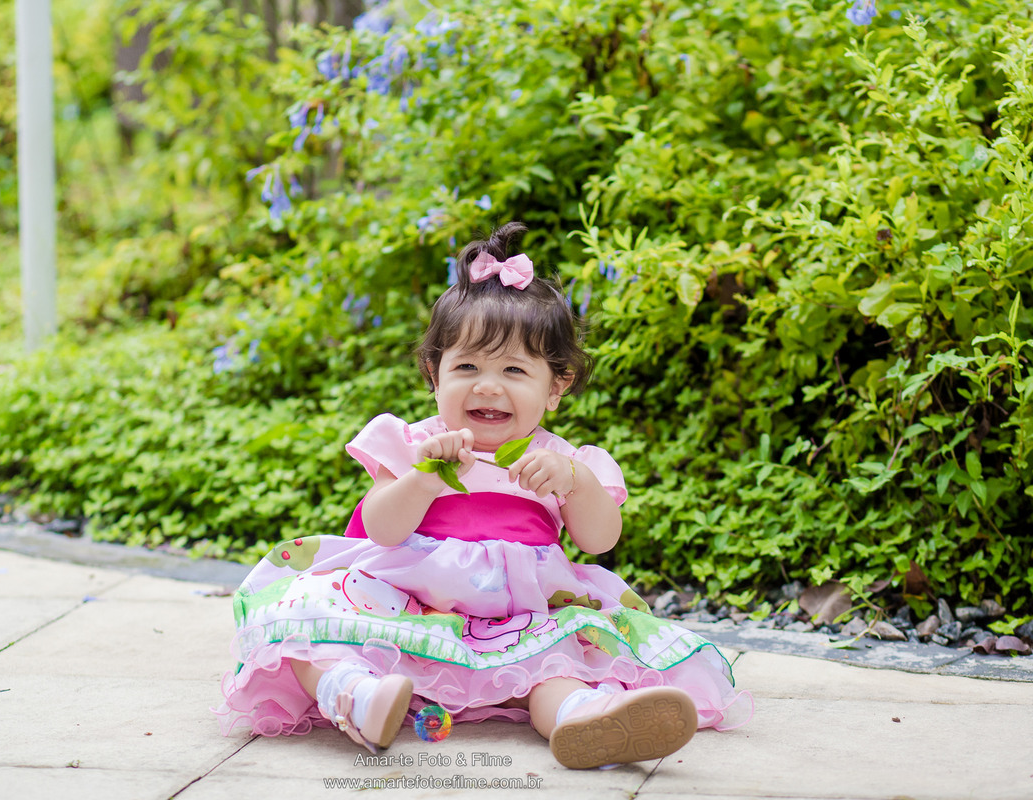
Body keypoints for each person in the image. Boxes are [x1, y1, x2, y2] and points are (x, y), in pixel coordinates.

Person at [215, 222, 751, 769]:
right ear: (434, 372)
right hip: (408, 603)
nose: (487, 386)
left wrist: (574, 482)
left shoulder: (567, 459)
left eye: (514, 370)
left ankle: (584, 715)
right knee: (312, 620)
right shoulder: (414, 442)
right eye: (466, 367)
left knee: (554, 665)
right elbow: (381, 528)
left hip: (520, 614)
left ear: (556, 386)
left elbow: (599, 540)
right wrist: (424, 478)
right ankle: (354, 693)